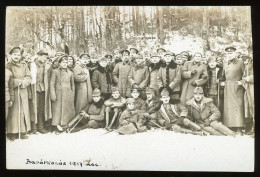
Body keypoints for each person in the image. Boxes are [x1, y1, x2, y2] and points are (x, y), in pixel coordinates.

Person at [6, 47, 32, 140]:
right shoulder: (8, 66)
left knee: (23, 111)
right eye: (14, 54)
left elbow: (29, 76)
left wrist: (24, 82)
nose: (17, 56)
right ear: (11, 55)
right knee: (13, 112)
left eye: (18, 55)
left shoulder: (24, 65)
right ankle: (11, 132)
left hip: (23, 90)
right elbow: (7, 79)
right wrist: (15, 81)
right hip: (13, 91)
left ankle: (21, 131)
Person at [220, 46, 245, 134]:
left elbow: (245, 75)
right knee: (228, 108)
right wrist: (222, 82)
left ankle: (239, 127)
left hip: (237, 88)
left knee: (238, 107)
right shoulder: (225, 63)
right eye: (228, 53)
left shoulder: (240, 63)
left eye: (231, 53)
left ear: (235, 53)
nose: (229, 55)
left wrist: (241, 82)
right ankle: (230, 126)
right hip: (228, 88)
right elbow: (222, 77)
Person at [50, 55, 75, 134]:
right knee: (57, 110)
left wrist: (72, 93)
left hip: (68, 93)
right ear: (59, 63)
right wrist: (53, 95)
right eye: (63, 62)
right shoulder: (55, 71)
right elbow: (52, 84)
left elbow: (72, 85)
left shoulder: (70, 72)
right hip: (58, 93)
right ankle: (56, 126)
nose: (65, 64)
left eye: (66, 62)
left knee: (67, 110)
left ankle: (65, 125)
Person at [28, 49, 50, 134]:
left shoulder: (45, 65)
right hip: (34, 88)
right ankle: (34, 128)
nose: (45, 59)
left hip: (42, 89)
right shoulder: (32, 65)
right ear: (39, 56)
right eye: (44, 57)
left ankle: (41, 127)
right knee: (34, 108)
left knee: (41, 108)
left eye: (46, 57)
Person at [242, 56, 254, 135]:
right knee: (251, 108)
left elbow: (247, 78)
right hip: (249, 88)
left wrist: (248, 78)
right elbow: (243, 77)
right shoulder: (249, 62)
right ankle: (252, 128)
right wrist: (245, 82)